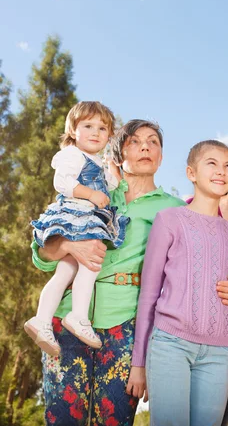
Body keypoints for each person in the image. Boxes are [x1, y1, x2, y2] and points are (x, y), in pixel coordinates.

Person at [31, 121, 228, 426]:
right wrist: (68, 246)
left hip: (127, 328)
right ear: (119, 153)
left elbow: (204, 262)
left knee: (116, 419)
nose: (145, 147)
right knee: (62, 418)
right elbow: (41, 254)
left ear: (161, 156)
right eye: (135, 141)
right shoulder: (91, 194)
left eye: (153, 142)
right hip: (67, 318)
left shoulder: (174, 211)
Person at [129, 140, 228, 426]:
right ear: (191, 173)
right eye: (212, 163)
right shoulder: (169, 220)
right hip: (170, 345)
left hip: (220, 353)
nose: (221, 171)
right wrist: (138, 363)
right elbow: (148, 294)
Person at [26, 101, 129, 354]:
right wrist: (91, 195)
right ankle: (78, 316)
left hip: (81, 218)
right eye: (88, 126)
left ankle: (42, 320)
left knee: (65, 271)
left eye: (103, 128)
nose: (96, 132)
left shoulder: (96, 161)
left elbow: (110, 186)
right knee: (91, 264)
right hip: (76, 216)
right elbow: (62, 182)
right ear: (73, 130)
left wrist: (113, 172)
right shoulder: (72, 154)